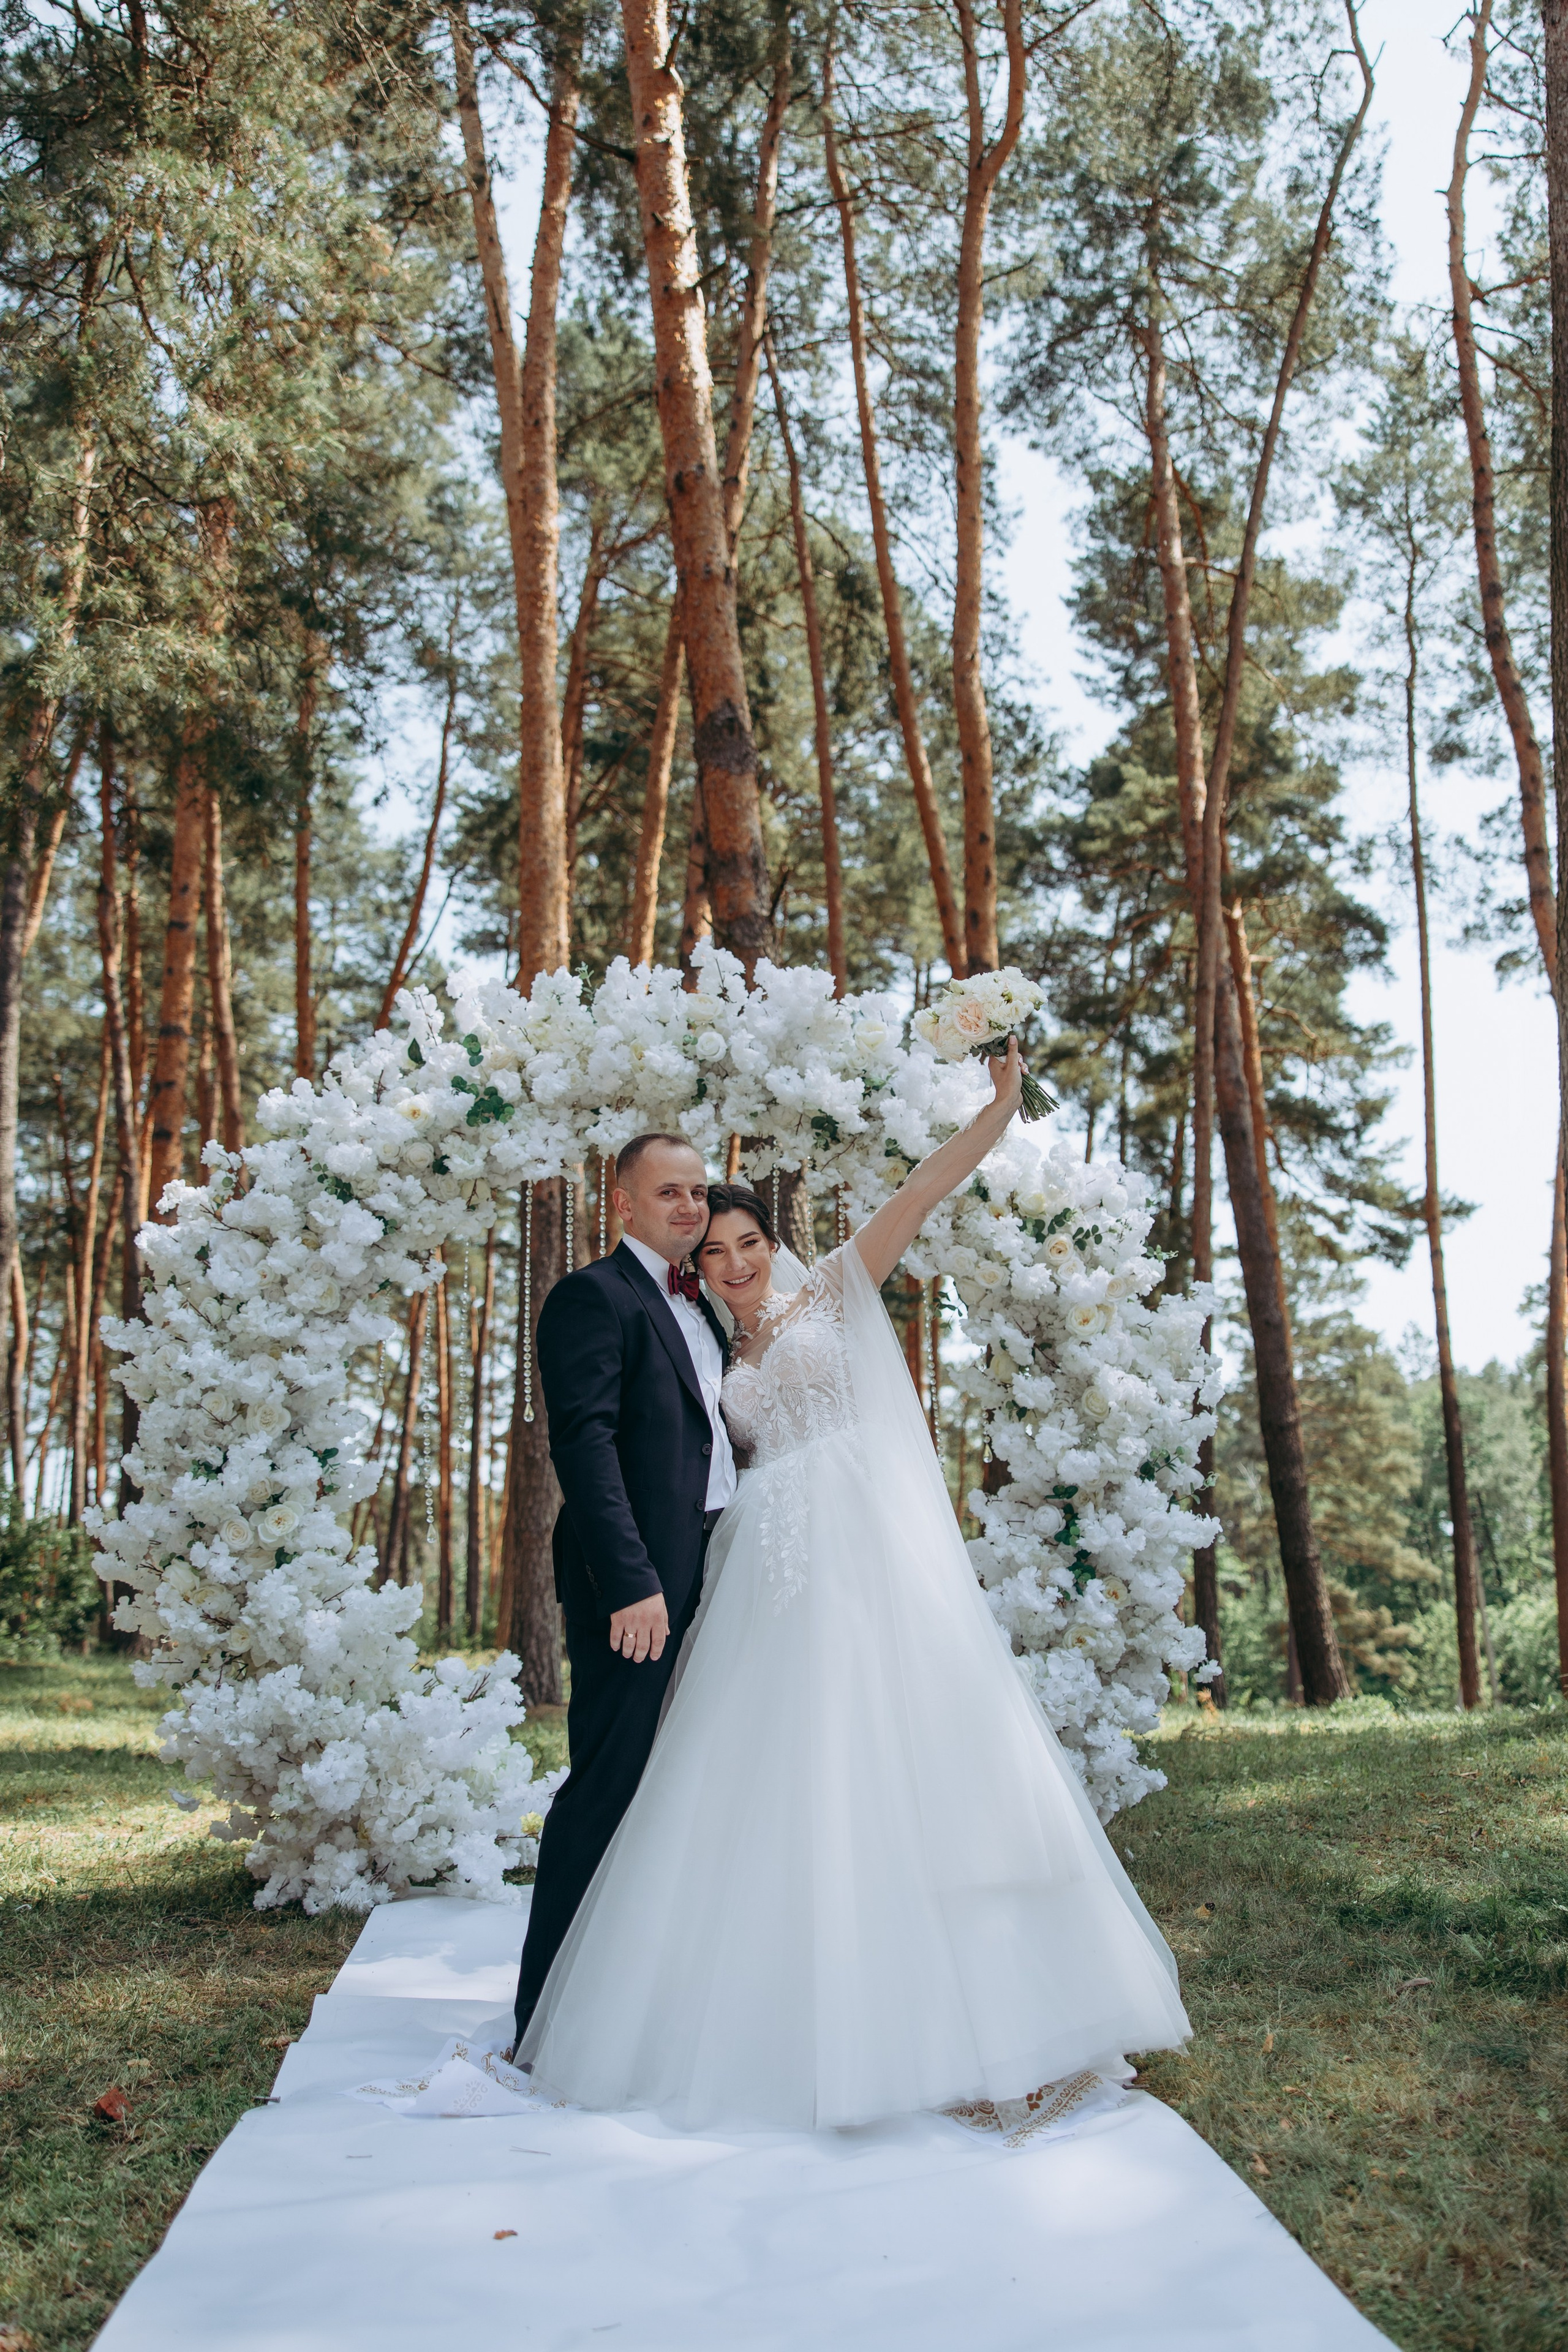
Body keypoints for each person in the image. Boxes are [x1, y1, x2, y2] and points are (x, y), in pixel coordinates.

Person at [518, 1045, 1191, 2128]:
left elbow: (923, 1189)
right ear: (679, 1246)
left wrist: (1001, 1109)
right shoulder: (698, 1337)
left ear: (774, 1246)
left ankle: (1012, 2026)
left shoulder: (833, 1288)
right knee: (776, 1784)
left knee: (912, 1760)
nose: (733, 1259)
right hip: (758, 1574)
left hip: (862, 1551)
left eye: (747, 1240)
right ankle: (796, 2017)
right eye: (712, 1241)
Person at [511, 1131, 736, 2048]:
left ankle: (651, 2000)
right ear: (624, 1205)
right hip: (635, 1589)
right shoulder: (590, 1297)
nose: (689, 1207)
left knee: (685, 1788)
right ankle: (546, 2016)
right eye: (669, 1193)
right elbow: (585, 1449)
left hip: (716, 1570)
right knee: (608, 1783)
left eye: (698, 1192)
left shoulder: (707, 1305)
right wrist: (633, 1584)